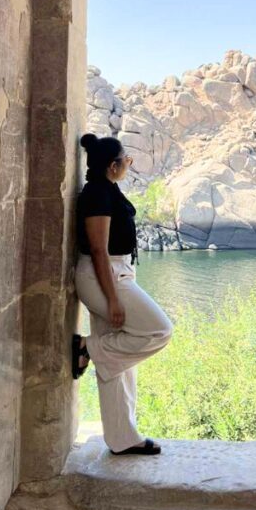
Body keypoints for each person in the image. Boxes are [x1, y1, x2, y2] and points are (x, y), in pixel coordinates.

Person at [73, 132, 173, 456]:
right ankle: (87, 347)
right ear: (113, 166)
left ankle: (122, 438)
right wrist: (113, 297)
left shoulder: (106, 188)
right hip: (104, 276)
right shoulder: (97, 195)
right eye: (126, 160)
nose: (129, 165)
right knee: (159, 330)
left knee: (116, 362)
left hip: (116, 272)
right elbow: (99, 251)